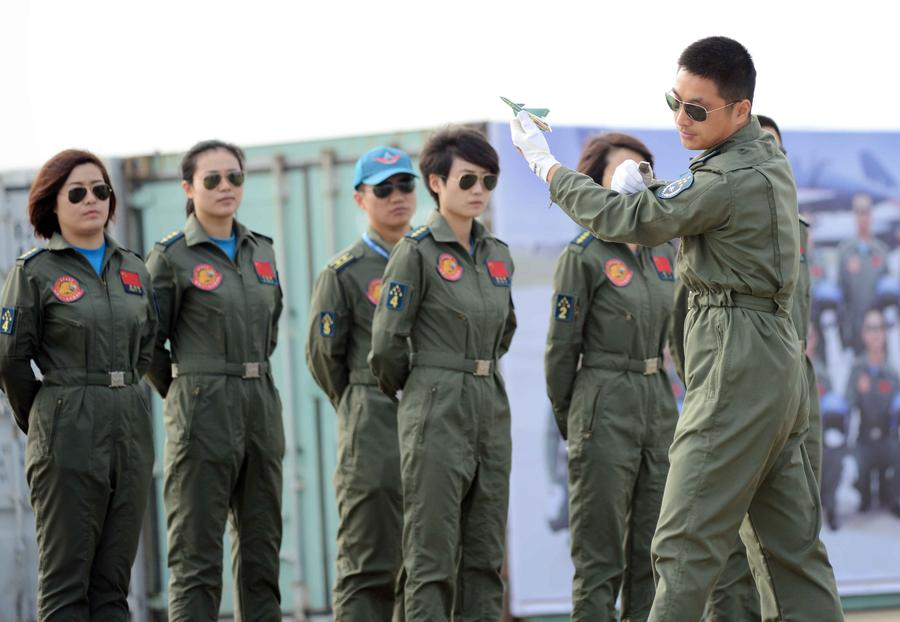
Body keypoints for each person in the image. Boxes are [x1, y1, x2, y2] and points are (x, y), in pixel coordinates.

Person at [510, 36, 843, 621]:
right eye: (674, 101)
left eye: (696, 109)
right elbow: (697, 203)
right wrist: (657, 189)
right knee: (793, 551)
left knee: (682, 541)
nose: (680, 119)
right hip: (772, 362)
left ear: (741, 111)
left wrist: (545, 164)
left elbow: (625, 218)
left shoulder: (726, 178)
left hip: (736, 358)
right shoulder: (759, 163)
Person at [0, 149, 157, 619]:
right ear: (52, 204)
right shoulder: (34, 272)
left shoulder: (134, 269)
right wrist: (48, 418)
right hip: (67, 428)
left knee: (113, 586)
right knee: (66, 584)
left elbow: (145, 347)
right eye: (77, 193)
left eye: (100, 190)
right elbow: (9, 359)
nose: (92, 199)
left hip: (129, 428)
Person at [369, 127, 516, 620]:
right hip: (435, 405)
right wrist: (423, 390)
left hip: (488, 403)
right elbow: (386, 344)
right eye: (467, 179)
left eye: (488, 180)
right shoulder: (416, 252)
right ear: (436, 183)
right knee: (431, 556)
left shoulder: (497, 254)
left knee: (485, 556)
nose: (479, 190)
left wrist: (475, 369)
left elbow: (506, 327)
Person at [145, 140, 284, 620]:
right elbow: (146, 344)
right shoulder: (171, 257)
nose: (226, 187)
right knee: (197, 558)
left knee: (262, 554)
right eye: (212, 179)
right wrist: (189, 390)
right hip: (201, 413)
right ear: (188, 188)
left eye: (235, 177)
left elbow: (270, 329)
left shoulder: (261, 250)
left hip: (260, 407)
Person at [544, 133, 677, 621]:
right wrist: (577, 421)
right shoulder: (583, 256)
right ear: (594, 183)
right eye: (621, 168)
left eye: (642, 169)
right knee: (599, 558)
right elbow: (561, 352)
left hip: (656, 404)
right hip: (602, 405)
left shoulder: (662, 254)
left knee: (653, 553)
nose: (633, 178)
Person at [306, 145, 418, 620]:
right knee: (368, 564)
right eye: (383, 188)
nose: (397, 196)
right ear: (359, 199)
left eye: (405, 184)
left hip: (432, 420)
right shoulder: (344, 273)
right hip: (372, 424)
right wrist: (360, 403)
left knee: (427, 567)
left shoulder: (433, 259)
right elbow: (323, 358)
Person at [845, 307, 900, 515]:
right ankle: (864, 488)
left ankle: (891, 490)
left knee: (889, 500)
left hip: (888, 439)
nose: (876, 334)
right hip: (865, 439)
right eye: (871, 328)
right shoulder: (857, 369)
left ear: (885, 332)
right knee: (865, 503)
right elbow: (847, 405)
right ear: (863, 334)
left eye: (879, 328)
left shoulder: (892, 370)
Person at [838, 193, 888, 353]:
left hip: (878, 333)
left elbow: (888, 296)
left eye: (865, 211)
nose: (862, 216)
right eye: (858, 211)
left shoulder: (881, 251)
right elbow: (841, 295)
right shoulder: (845, 251)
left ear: (872, 214)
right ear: (854, 215)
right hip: (854, 331)